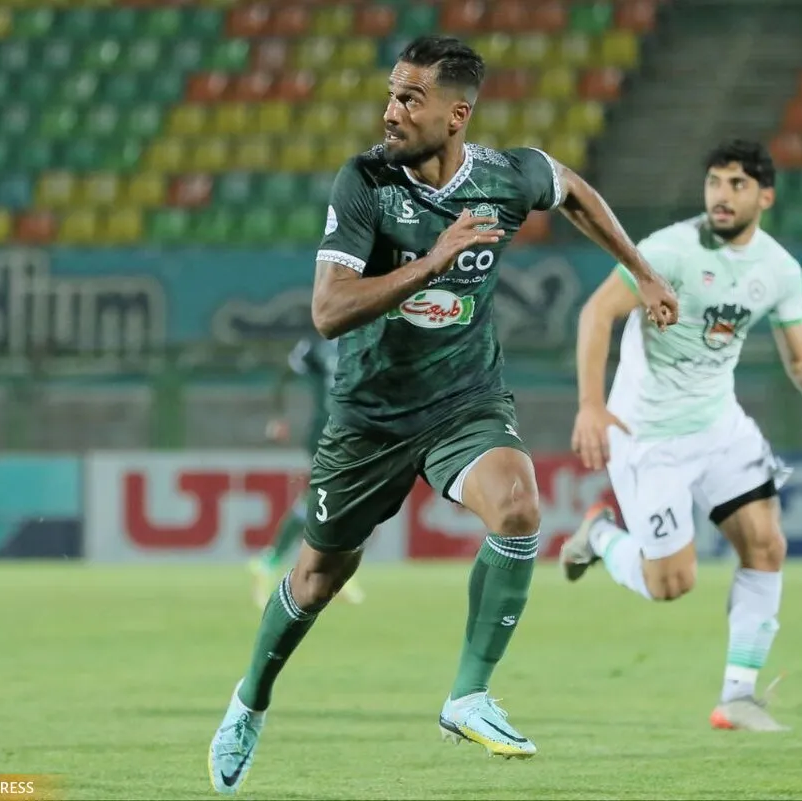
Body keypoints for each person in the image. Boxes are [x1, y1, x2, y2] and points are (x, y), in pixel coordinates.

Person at [208, 34, 679, 793]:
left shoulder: (505, 176)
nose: (390, 111)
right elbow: (328, 311)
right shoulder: (365, 182)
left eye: (410, 98)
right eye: (391, 95)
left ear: (456, 115)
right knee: (318, 578)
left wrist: (642, 271)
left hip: (465, 399)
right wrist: (434, 260)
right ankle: (249, 701)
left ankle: (468, 696)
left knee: (519, 506)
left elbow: (572, 191)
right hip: (370, 416)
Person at [559, 139, 802, 733]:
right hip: (648, 435)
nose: (722, 196)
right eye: (714, 182)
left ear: (765, 197)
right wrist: (590, 406)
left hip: (719, 426)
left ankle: (737, 697)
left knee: (767, 545)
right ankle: (600, 536)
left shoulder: (779, 270)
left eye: (737, 184)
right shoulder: (668, 251)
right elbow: (596, 313)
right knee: (671, 584)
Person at [250, 335, 366, 608]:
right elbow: (285, 375)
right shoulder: (316, 346)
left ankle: (324, 567)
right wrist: (278, 416)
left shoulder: (365, 343)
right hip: (325, 432)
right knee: (327, 498)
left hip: (354, 433)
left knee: (338, 501)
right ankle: (273, 561)